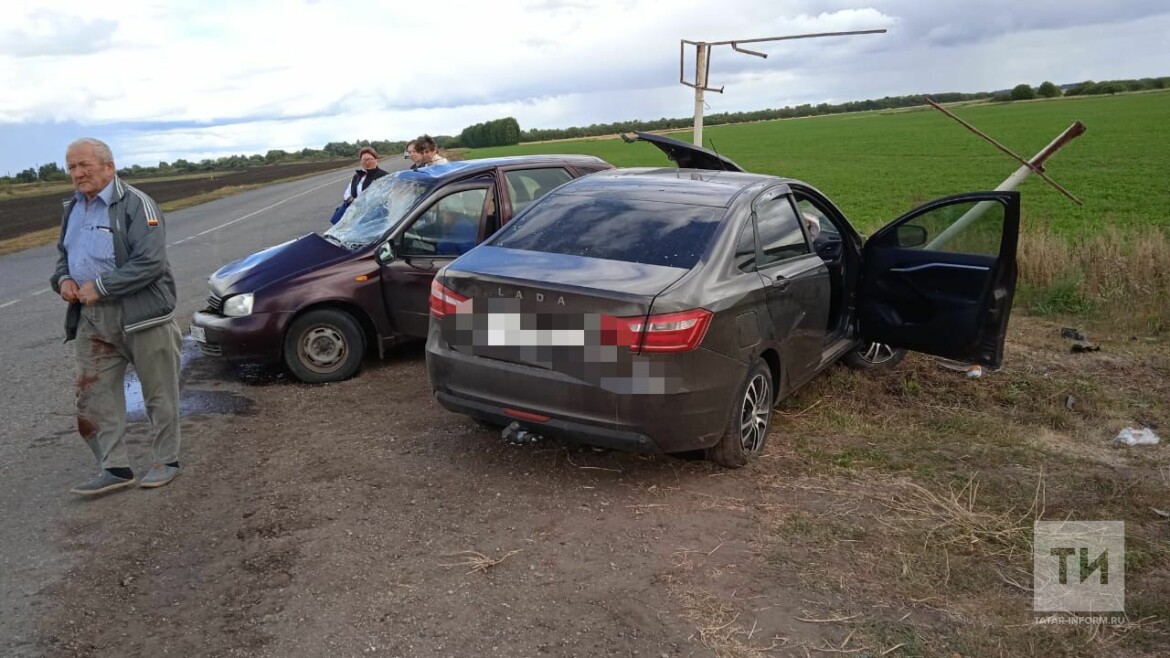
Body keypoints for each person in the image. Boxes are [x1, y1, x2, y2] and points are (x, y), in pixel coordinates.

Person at [50, 138, 183, 496]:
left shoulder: (137, 204)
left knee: (159, 393)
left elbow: (151, 262)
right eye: (71, 167)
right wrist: (63, 280)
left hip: (142, 317)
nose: (77, 173)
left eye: (85, 165)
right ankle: (115, 467)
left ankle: (166, 460)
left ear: (109, 166)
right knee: (94, 396)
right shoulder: (72, 207)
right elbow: (64, 256)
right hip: (92, 318)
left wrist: (103, 286)